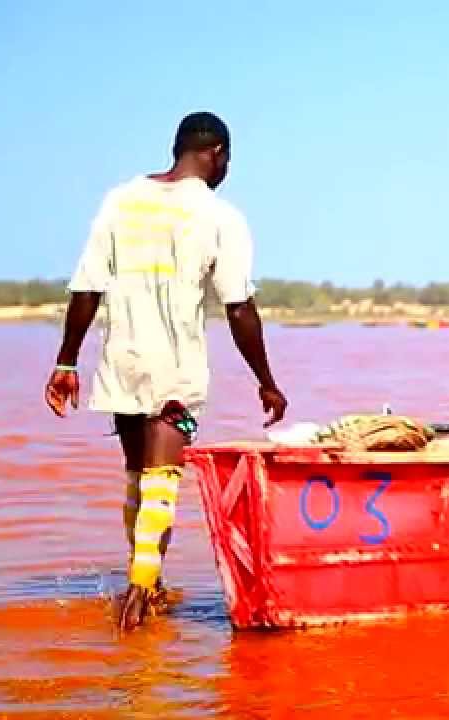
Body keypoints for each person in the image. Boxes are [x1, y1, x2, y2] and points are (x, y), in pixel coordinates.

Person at [44, 111, 288, 633]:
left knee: (139, 480)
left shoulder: (120, 200)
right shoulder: (221, 217)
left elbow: (86, 287)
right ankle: (139, 594)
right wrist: (265, 380)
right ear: (217, 153)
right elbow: (239, 308)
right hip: (173, 363)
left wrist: (67, 360)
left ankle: (147, 585)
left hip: (122, 360)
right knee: (161, 482)